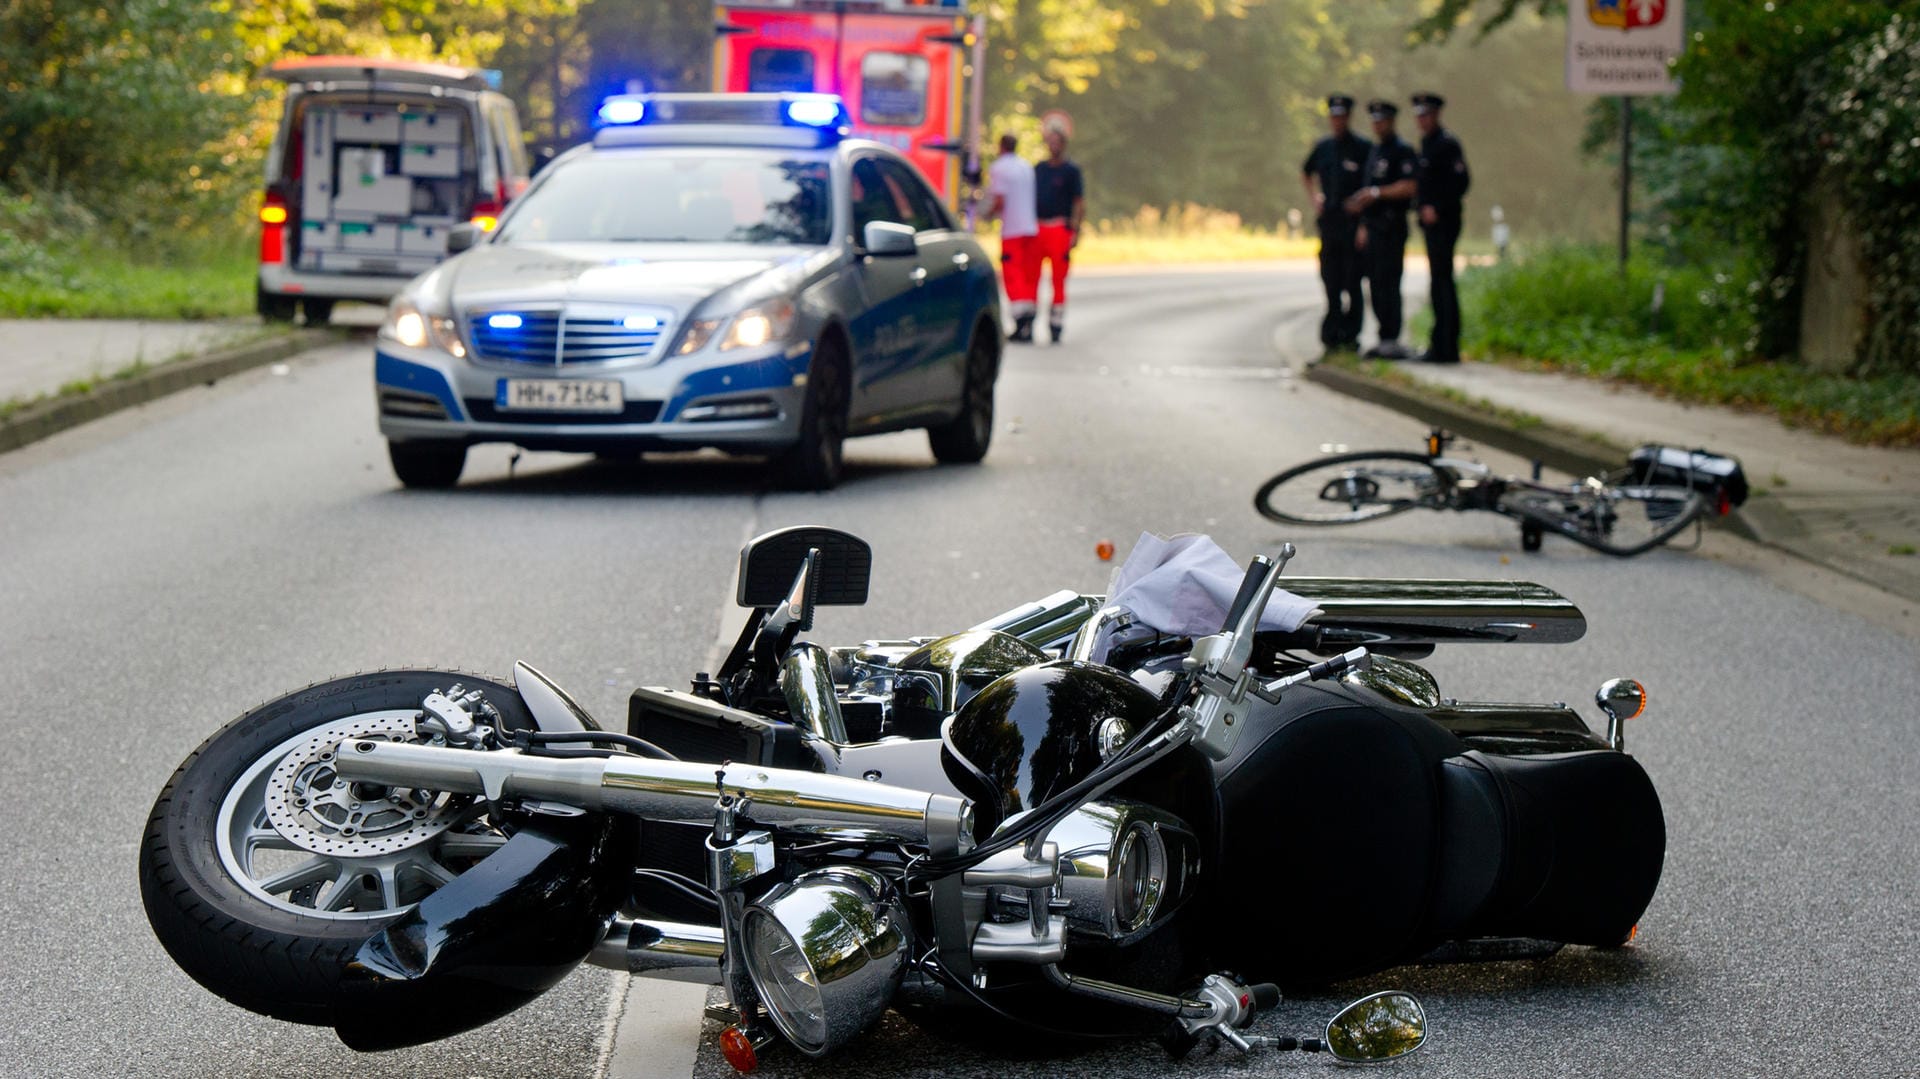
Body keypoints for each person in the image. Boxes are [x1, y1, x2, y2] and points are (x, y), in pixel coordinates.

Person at [1343, 100, 1419, 360]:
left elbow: (1410, 186)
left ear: (1392, 121)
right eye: (1374, 121)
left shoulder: (1403, 151)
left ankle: (1392, 337)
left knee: (1390, 282)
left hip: (1392, 227)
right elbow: (1366, 190)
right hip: (1373, 228)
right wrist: (1363, 224)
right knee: (1374, 284)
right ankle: (1382, 336)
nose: (1378, 125)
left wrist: (1378, 193)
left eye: (1382, 120)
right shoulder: (1375, 152)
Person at [1300, 94, 1372, 354]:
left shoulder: (1363, 148)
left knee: (1353, 281)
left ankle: (1351, 335)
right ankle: (1331, 336)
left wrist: (1365, 225)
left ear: (1348, 117)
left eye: (1341, 116)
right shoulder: (1324, 147)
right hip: (1330, 223)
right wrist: (1314, 198)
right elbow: (1306, 172)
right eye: (1333, 116)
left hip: (1353, 224)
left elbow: (1370, 187)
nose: (1337, 121)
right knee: (1330, 279)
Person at [1411, 92, 1470, 364]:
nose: (1422, 120)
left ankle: (1448, 345)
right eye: (1419, 115)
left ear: (1436, 115)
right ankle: (1439, 342)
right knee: (1437, 281)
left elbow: (1461, 183)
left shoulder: (1448, 144)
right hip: (1429, 224)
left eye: (1426, 114)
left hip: (1445, 223)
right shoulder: (1426, 144)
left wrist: (1437, 207)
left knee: (1443, 281)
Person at [985, 133, 1040, 342]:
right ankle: (1029, 316)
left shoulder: (999, 168)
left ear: (1001, 146)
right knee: (1027, 274)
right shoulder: (1026, 166)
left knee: (1012, 273)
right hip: (1031, 228)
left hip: (1012, 229)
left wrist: (986, 215)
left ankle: (1020, 318)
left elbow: (999, 200)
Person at [1033, 124, 1085, 344]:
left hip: (1060, 228)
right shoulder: (1039, 169)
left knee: (1058, 279)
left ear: (1063, 145)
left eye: (1057, 142)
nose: (1053, 146)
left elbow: (1079, 202)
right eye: (1050, 141)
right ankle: (1026, 321)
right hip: (1038, 228)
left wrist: (1075, 230)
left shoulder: (1071, 171)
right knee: (1031, 277)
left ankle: (1055, 321)